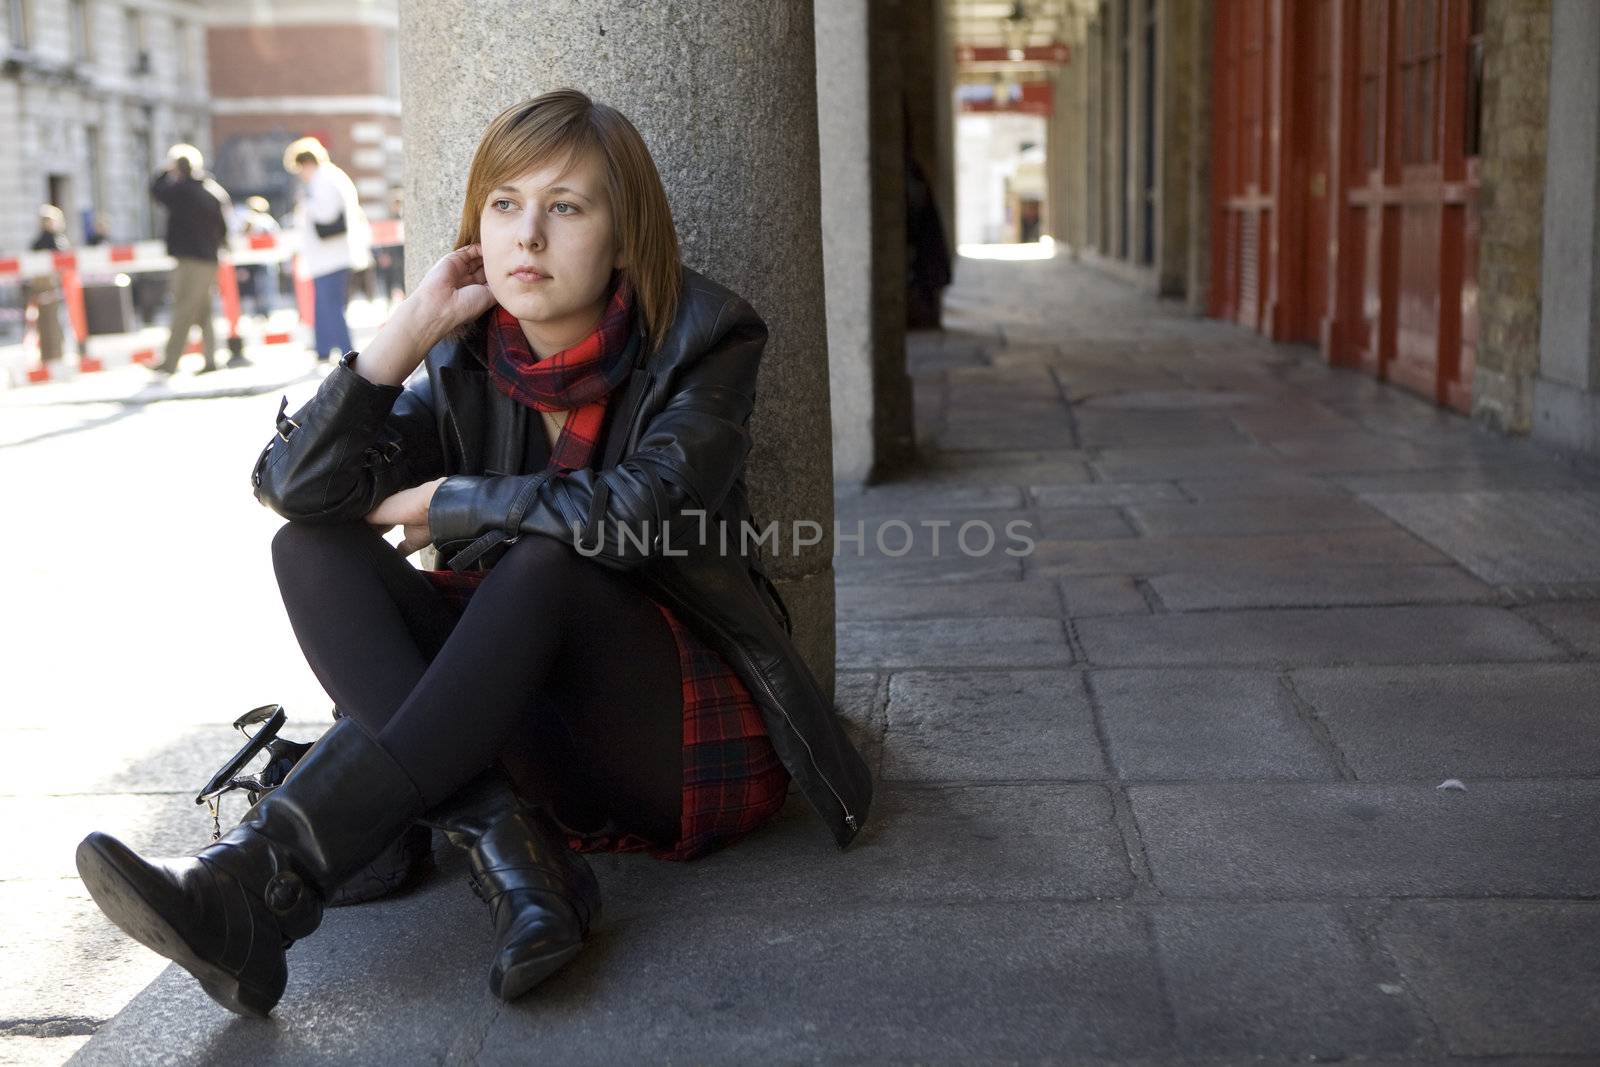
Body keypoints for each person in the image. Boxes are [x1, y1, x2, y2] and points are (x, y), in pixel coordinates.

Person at [75, 89, 874, 1019]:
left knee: (552, 559)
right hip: (516, 720)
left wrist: (450, 500)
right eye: (505, 204)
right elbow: (298, 488)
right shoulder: (463, 357)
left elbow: (638, 512)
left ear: (624, 236)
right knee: (311, 548)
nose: (527, 235)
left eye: (565, 207)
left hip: (671, 732)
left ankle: (262, 880)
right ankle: (517, 851)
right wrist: (398, 340)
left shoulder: (708, 338)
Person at [283, 137, 372, 361]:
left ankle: (345, 351)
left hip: (330, 255)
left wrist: (305, 203)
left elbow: (326, 213)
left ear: (305, 163)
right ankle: (324, 349)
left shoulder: (324, 180)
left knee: (330, 306)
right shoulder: (330, 177)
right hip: (330, 255)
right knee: (325, 305)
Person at [149, 144, 232, 374]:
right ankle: (211, 359)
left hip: (189, 260)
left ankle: (170, 362)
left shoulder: (180, 190)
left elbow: (156, 190)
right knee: (203, 309)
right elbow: (224, 229)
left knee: (183, 308)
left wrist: (165, 171)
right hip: (209, 258)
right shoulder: (213, 191)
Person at [25, 206, 70, 365]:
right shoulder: (52, 241)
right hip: (49, 287)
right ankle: (52, 357)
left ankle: (55, 355)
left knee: (55, 323)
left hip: (54, 288)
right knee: (49, 323)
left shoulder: (54, 240)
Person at [237, 195, 281, 319]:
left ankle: (265, 313)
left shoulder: (264, 221)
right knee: (262, 288)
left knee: (264, 288)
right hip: (255, 262)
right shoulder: (251, 221)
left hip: (264, 261)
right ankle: (263, 313)